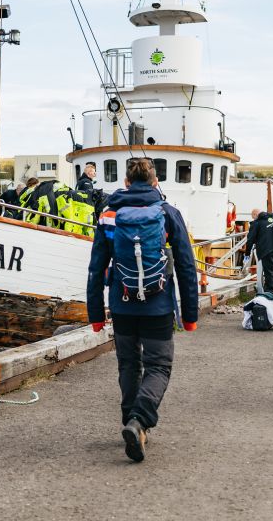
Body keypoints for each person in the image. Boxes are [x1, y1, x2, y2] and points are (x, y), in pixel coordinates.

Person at [86, 158, 199, 462]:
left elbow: (96, 268)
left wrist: (95, 314)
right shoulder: (167, 213)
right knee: (159, 366)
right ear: (155, 182)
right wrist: (190, 316)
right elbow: (187, 266)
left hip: (122, 304)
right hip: (158, 304)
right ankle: (139, 421)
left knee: (128, 364)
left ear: (125, 182)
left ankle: (131, 422)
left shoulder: (109, 214)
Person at [245, 208, 273, 297]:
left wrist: (247, 253)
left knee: (269, 271)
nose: (253, 219)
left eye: (253, 217)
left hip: (267, 250)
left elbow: (250, 240)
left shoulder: (257, 223)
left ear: (256, 215)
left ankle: (270, 292)